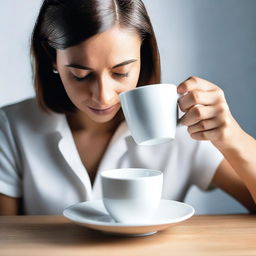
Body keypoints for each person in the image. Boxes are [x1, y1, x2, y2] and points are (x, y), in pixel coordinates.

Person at [0, 0, 255, 215]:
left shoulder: (184, 128)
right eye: (80, 75)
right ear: (51, 58)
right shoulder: (13, 128)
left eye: (120, 72)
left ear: (142, 57)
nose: (102, 96)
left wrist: (232, 136)